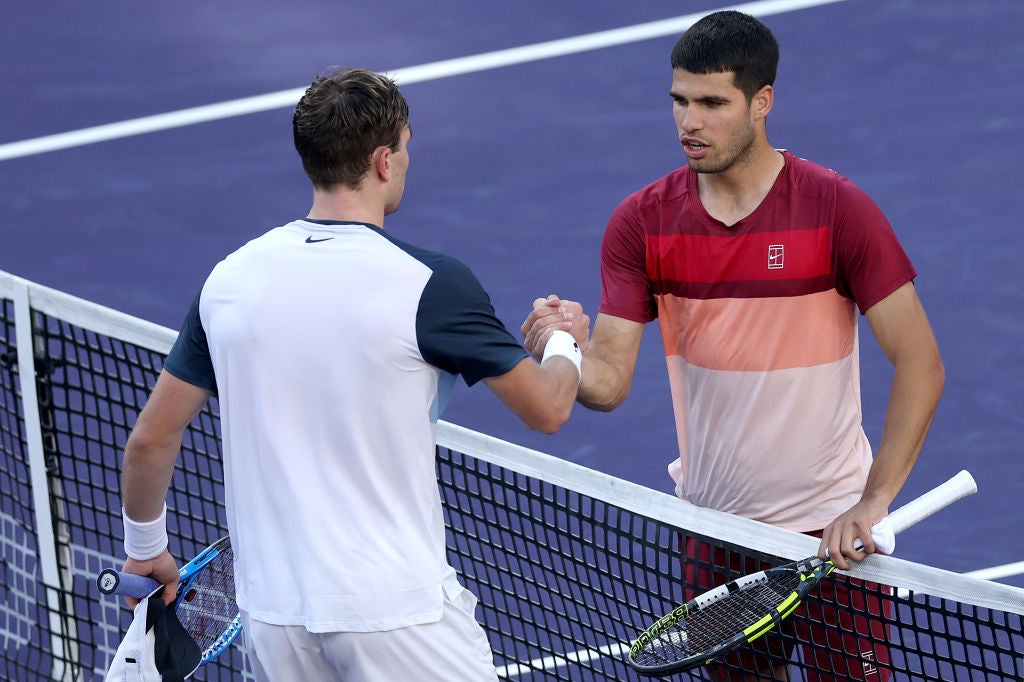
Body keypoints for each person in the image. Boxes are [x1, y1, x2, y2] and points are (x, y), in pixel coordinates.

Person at [115, 67, 587, 681]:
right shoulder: (430, 284)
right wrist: (564, 343)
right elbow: (548, 408)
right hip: (398, 619)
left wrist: (146, 550)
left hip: (276, 623)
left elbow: (150, 439)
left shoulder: (228, 280)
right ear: (385, 160)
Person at [521, 11, 944, 682]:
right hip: (717, 537)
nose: (691, 121)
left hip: (834, 538)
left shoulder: (837, 211)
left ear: (763, 101)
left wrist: (874, 499)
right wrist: (565, 349)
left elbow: (922, 361)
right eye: (681, 102)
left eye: (713, 103)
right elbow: (610, 381)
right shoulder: (642, 224)